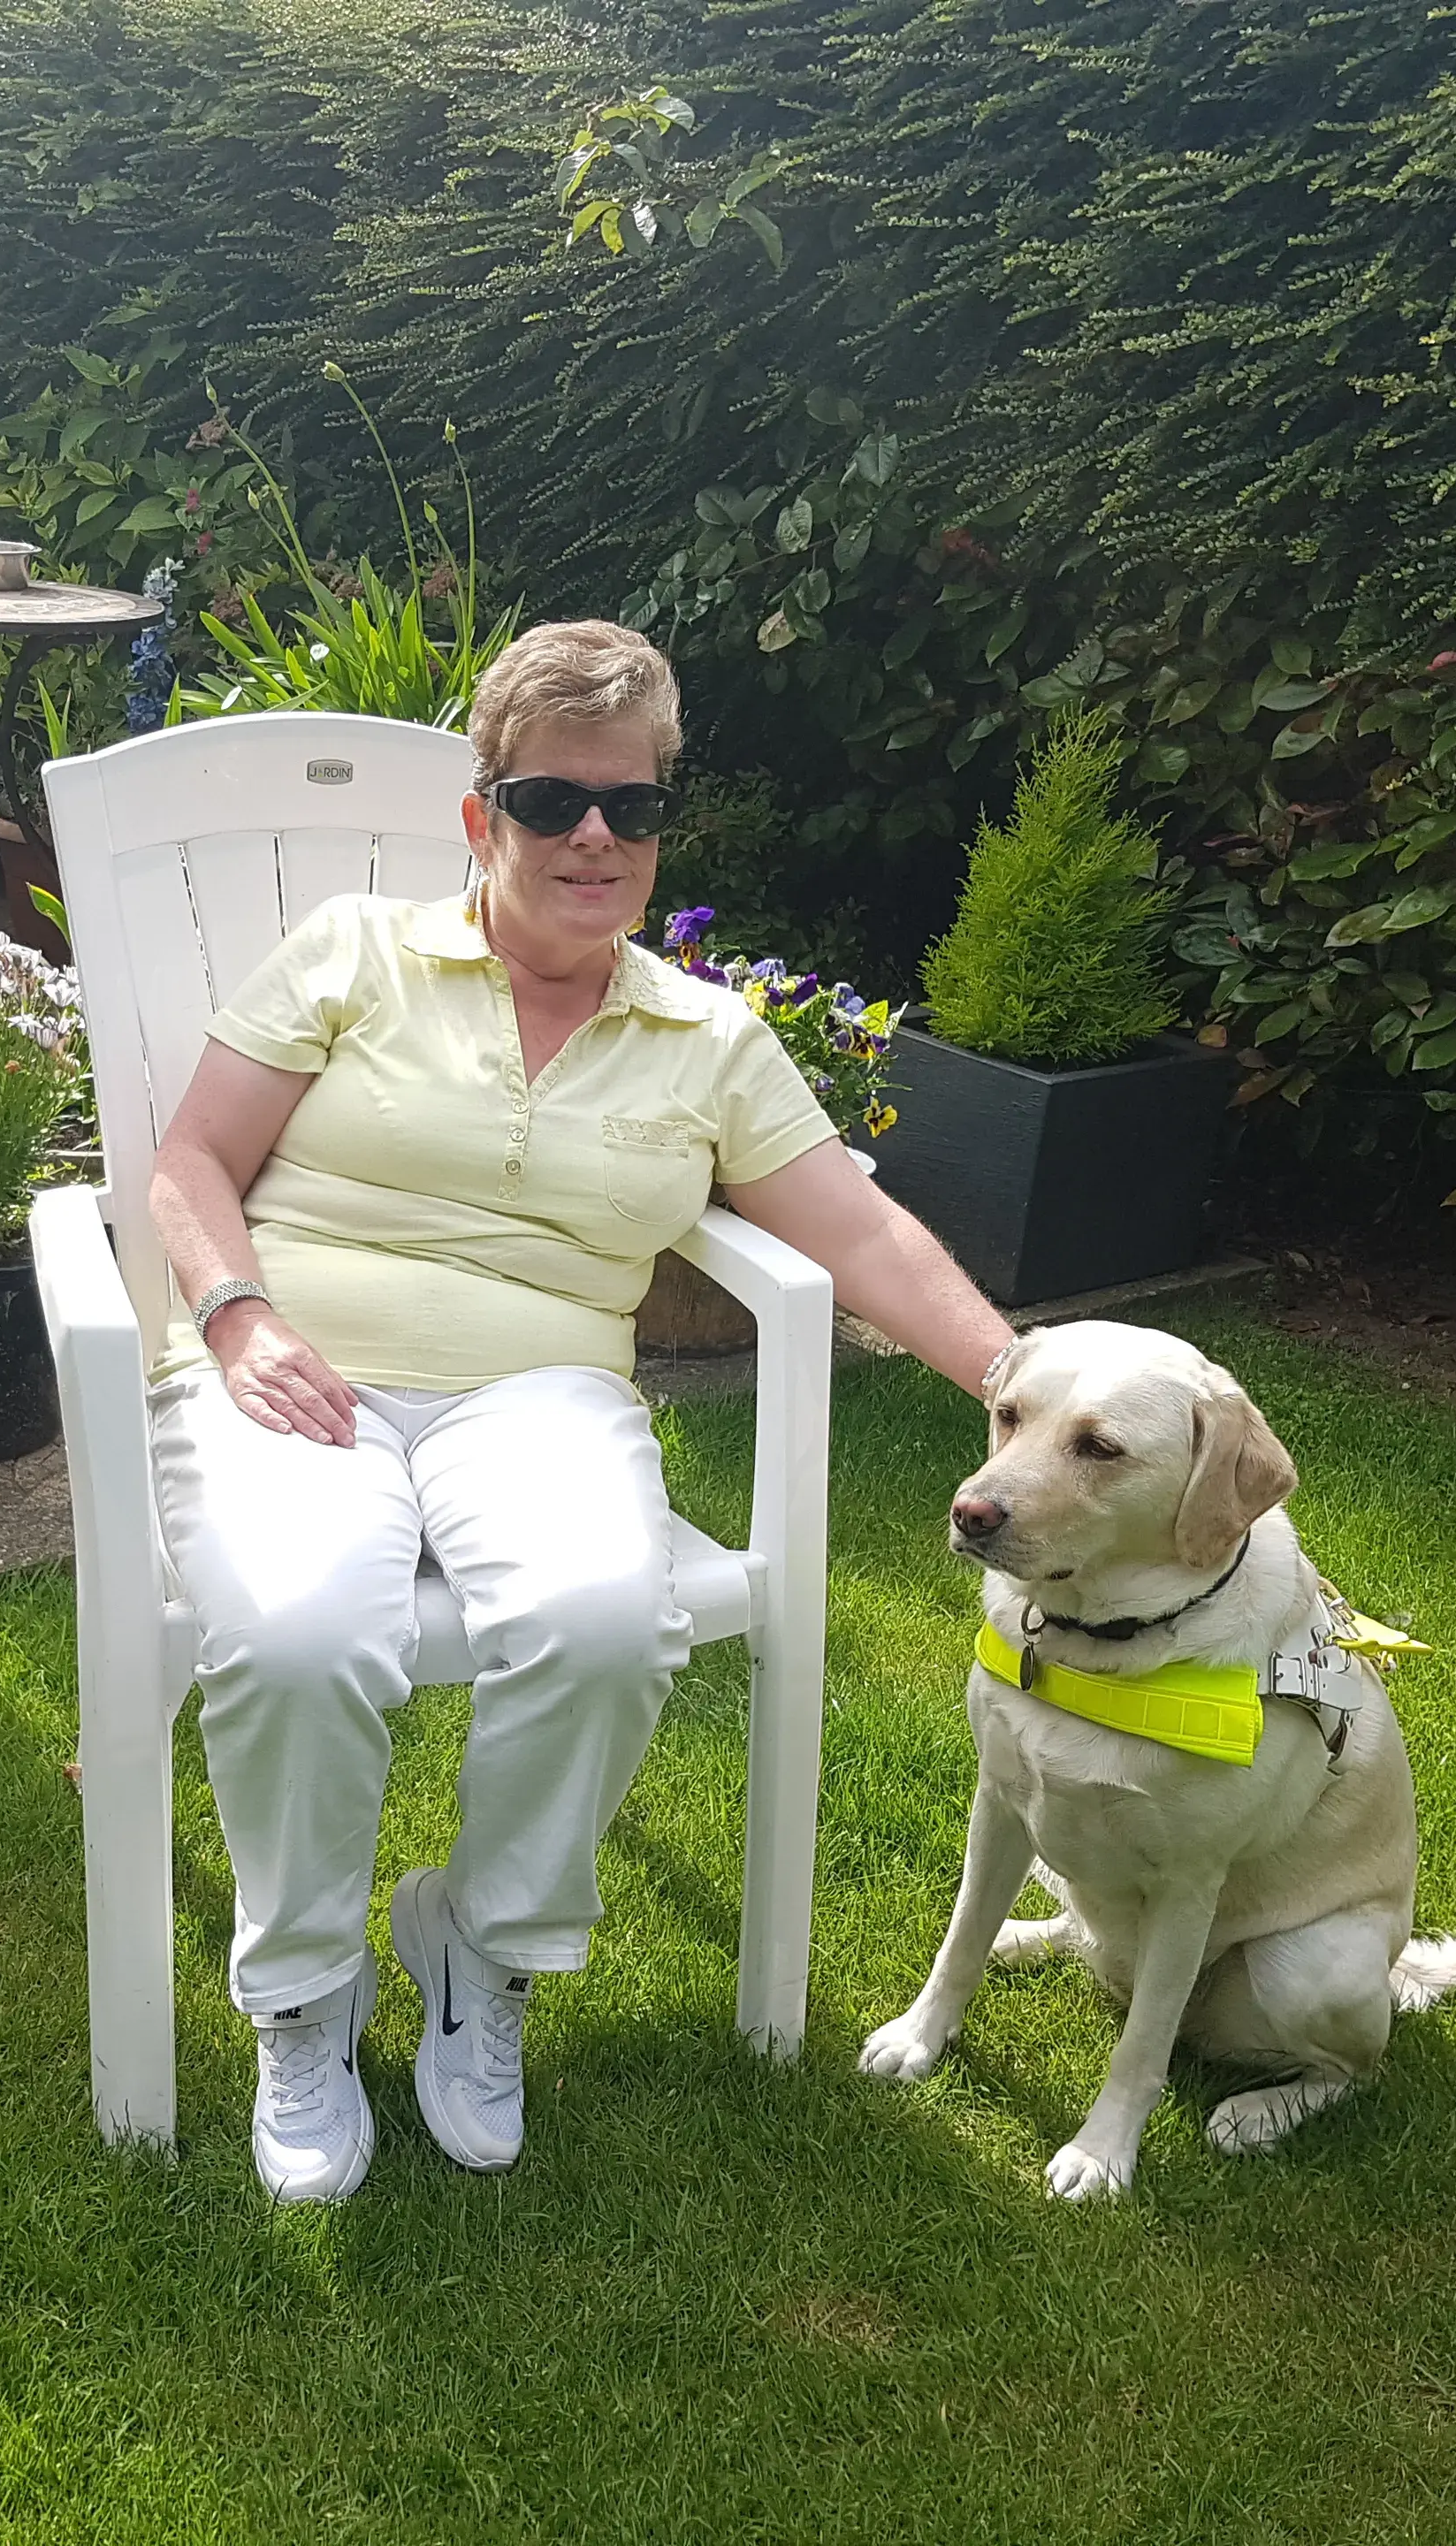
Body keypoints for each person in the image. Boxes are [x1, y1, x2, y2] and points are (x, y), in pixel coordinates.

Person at [146, 619, 1020, 2201]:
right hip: (301, 1362)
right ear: (481, 817)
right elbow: (190, 1160)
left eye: (632, 806)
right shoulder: (355, 952)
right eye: (553, 803)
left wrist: (1020, 1387)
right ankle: (305, 1992)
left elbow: (865, 1236)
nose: (595, 837)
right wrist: (237, 1311)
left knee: (609, 1622)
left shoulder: (709, 1038)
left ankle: (481, 1950)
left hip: (541, 1392)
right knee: (297, 1635)